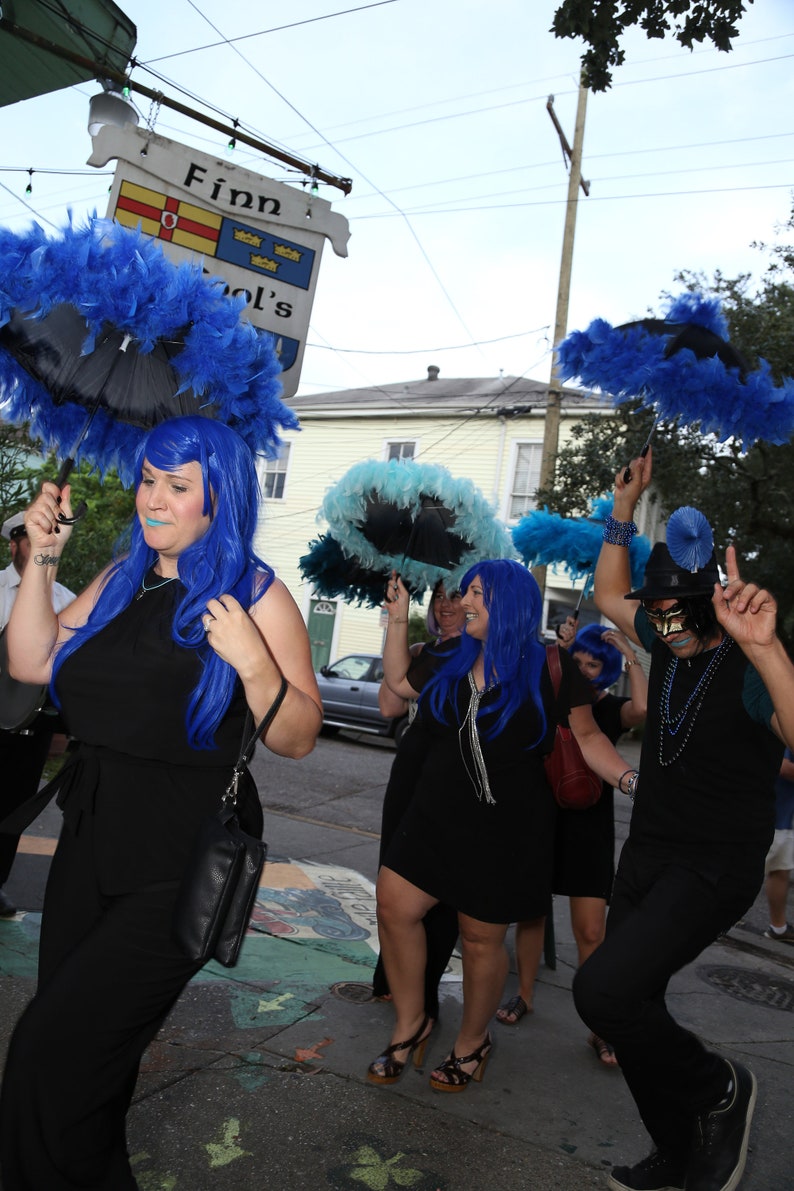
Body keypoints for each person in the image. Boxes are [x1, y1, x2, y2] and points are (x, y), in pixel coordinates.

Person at [0, 416, 322, 1191]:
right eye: (148, 479)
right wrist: (44, 559)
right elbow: (30, 659)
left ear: (219, 496)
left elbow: (301, 733)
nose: (153, 499)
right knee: (93, 1070)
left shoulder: (255, 591)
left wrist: (254, 666)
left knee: (49, 1051)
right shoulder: (121, 579)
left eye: (177, 486)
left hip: (175, 868)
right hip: (88, 845)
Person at [573, 448, 794, 1191]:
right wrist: (621, 509)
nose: (661, 621)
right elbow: (608, 592)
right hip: (649, 851)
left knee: (601, 991)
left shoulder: (745, 664)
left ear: (706, 602)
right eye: (655, 608)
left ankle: (718, 1088)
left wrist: (766, 649)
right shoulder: (666, 645)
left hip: (716, 863)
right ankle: (678, 1148)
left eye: (674, 609)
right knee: (629, 1009)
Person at [368, 559, 638, 1092]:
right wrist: (398, 621)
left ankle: (471, 1042)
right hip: (433, 816)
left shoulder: (551, 666)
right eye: (466, 591)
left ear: (508, 603)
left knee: (479, 939)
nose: (464, 602)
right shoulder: (450, 653)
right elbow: (400, 684)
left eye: (475, 593)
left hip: (507, 831)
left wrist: (632, 782)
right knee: (394, 906)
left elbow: (587, 739)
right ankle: (411, 1022)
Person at [497, 620, 648, 1069]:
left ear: (605, 670)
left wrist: (631, 655)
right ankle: (523, 995)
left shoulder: (608, 711)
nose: (584, 669)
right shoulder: (549, 698)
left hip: (588, 831)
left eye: (593, 664)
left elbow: (642, 708)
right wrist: (558, 656)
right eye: (578, 662)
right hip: (541, 821)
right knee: (530, 916)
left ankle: (599, 1027)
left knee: (591, 931)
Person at [372, 579, 466, 1013]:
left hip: (449, 780)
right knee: (392, 871)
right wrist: (400, 646)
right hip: (409, 772)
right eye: (438, 596)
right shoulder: (422, 653)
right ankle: (390, 976)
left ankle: (423, 990)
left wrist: (398, 631)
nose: (445, 605)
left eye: (455, 596)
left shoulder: (474, 653)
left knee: (441, 886)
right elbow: (389, 708)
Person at [0, 510, 74, 916]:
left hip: (33, 732)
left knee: (14, 810)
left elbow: (69, 677)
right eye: (30, 538)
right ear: (15, 544)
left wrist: (63, 728)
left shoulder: (68, 602)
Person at [762, 747, 794, 943]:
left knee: (780, 869)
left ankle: (779, 927)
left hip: (783, 811)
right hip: (776, 810)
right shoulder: (785, 718)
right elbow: (780, 765)